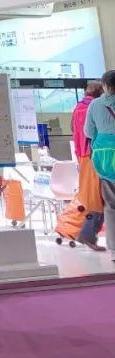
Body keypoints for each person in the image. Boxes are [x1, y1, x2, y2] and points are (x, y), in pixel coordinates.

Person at [84, 70, 115, 258]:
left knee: (111, 205)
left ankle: (114, 249)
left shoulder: (95, 104)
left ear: (104, 85)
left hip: (105, 158)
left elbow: (88, 132)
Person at [72, 81, 106, 251]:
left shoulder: (78, 108)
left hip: (83, 156)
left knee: (93, 197)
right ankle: (87, 234)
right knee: (99, 197)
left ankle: (87, 234)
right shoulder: (94, 108)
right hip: (96, 155)